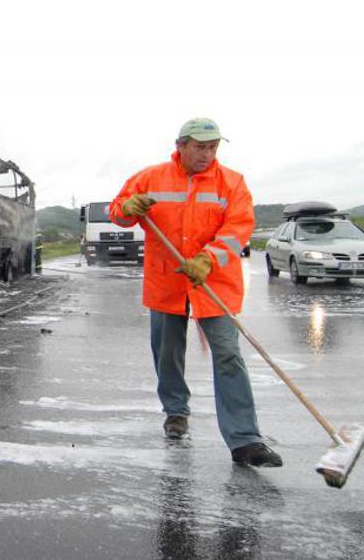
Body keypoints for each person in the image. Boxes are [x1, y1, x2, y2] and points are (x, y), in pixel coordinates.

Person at [109, 117, 282, 467]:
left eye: (213, 147)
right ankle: (176, 411)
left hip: (213, 282)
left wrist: (208, 259)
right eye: (201, 147)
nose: (207, 154)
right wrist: (127, 209)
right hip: (167, 280)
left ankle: (245, 440)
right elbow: (118, 212)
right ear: (181, 146)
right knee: (167, 352)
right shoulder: (150, 178)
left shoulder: (232, 183)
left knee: (228, 355)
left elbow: (238, 229)